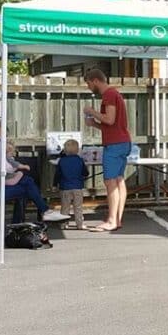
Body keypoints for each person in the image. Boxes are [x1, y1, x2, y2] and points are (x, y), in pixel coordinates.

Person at [0, 119, 67, 224]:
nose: (5, 138)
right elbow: (5, 168)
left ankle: (38, 215)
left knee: (27, 181)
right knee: (27, 187)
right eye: (5, 134)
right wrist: (18, 167)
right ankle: (27, 221)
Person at [83, 68, 132, 232]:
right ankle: (117, 219)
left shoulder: (109, 95)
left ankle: (111, 220)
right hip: (122, 142)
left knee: (110, 182)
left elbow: (110, 120)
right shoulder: (114, 94)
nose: (89, 87)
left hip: (115, 145)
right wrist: (94, 124)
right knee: (118, 180)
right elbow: (111, 124)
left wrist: (92, 112)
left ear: (95, 81)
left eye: (89, 84)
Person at [56, 139, 89, 230]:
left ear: (65, 150)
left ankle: (63, 224)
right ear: (77, 150)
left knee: (65, 207)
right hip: (77, 187)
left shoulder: (61, 161)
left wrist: (55, 185)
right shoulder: (80, 160)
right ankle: (79, 224)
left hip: (65, 187)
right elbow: (85, 173)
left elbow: (58, 174)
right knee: (78, 207)